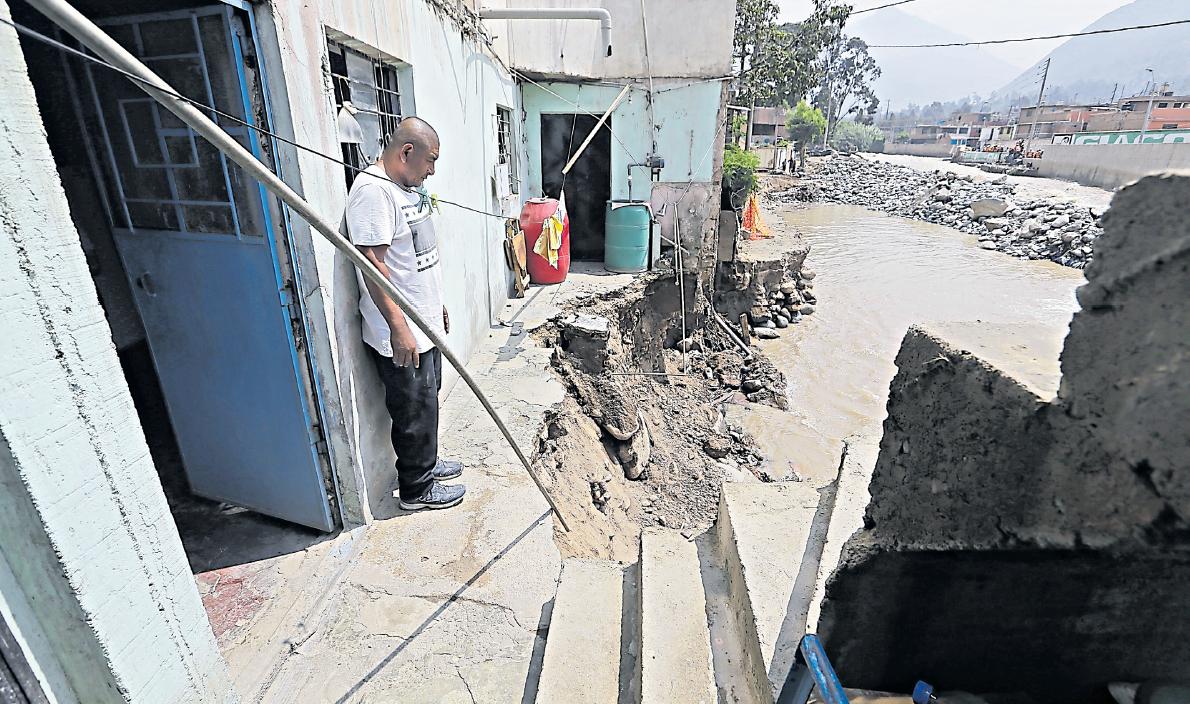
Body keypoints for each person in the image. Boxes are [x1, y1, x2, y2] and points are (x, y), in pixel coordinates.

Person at [344, 117, 466, 511]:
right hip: (400, 332)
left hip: (422, 321)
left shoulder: (403, 190)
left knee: (427, 400)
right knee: (412, 408)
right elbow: (372, 264)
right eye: (429, 161)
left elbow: (414, 259)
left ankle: (425, 464)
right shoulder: (372, 193)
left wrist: (435, 304)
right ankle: (416, 488)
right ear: (406, 152)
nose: (432, 171)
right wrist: (399, 327)